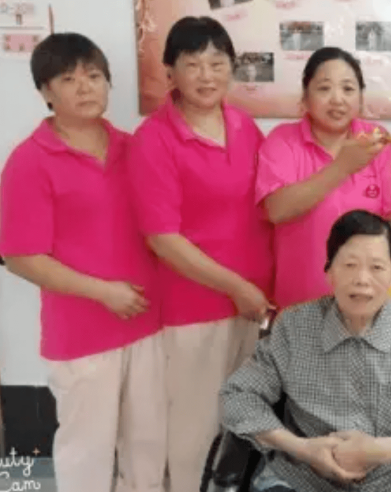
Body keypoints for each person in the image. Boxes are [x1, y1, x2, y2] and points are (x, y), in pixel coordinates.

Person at [0, 33, 165, 492]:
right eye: (68, 79)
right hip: (83, 334)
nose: (85, 87)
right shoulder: (30, 161)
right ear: (46, 91)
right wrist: (104, 292)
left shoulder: (134, 148)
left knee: (148, 447)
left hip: (147, 323)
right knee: (87, 453)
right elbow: (20, 257)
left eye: (93, 76)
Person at [220, 210, 391, 492]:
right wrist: (302, 448)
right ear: (329, 271)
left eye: (376, 267)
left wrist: (382, 451)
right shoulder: (293, 328)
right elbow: (238, 396)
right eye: (350, 265)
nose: (362, 279)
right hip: (303, 481)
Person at [126, 16, 273, 492]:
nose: (207, 76)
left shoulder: (244, 126)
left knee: (243, 424)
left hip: (253, 307)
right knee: (195, 430)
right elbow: (162, 239)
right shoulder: (154, 138)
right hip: (194, 311)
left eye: (217, 63)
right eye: (193, 64)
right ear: (170, 73)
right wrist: (236, 287)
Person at [255, 46, 391, 310]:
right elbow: (276, 209)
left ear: (360, 97)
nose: (337, 99)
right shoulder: (283, 140)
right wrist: (342, 167)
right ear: (305, 97)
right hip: (302, 306)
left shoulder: (376, 140)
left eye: (348, 89)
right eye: (324, 88)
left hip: (367, 305)